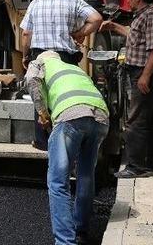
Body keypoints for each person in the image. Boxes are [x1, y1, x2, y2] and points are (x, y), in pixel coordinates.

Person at [26, 51, 109, 245]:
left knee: (58, 181)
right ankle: (81, 228)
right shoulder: (73, 68)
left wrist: (43, 114)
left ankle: (65, 241)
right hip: (101, 118)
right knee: (86, 174)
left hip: (71, 116)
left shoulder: (39, 63)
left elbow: (32, 82)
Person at [21, 0, 103, 150]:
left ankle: (42, 140)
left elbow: (26, 33)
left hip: (40, 56)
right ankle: (63, 140)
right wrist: (80, 33)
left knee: (40, 96)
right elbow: (97, 19)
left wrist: (26, 56)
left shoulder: (36, 2)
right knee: (63, 96)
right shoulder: (74, 1)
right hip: (64, 58)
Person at [101, 0, 153, 178]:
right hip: (141, 72)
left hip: (145, 73)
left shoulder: (152, 16)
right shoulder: (143, 16)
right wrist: (113, 26)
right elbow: (135, 35)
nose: (128, 0)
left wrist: (145, 76)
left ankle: (135, 166)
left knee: (136, 120)